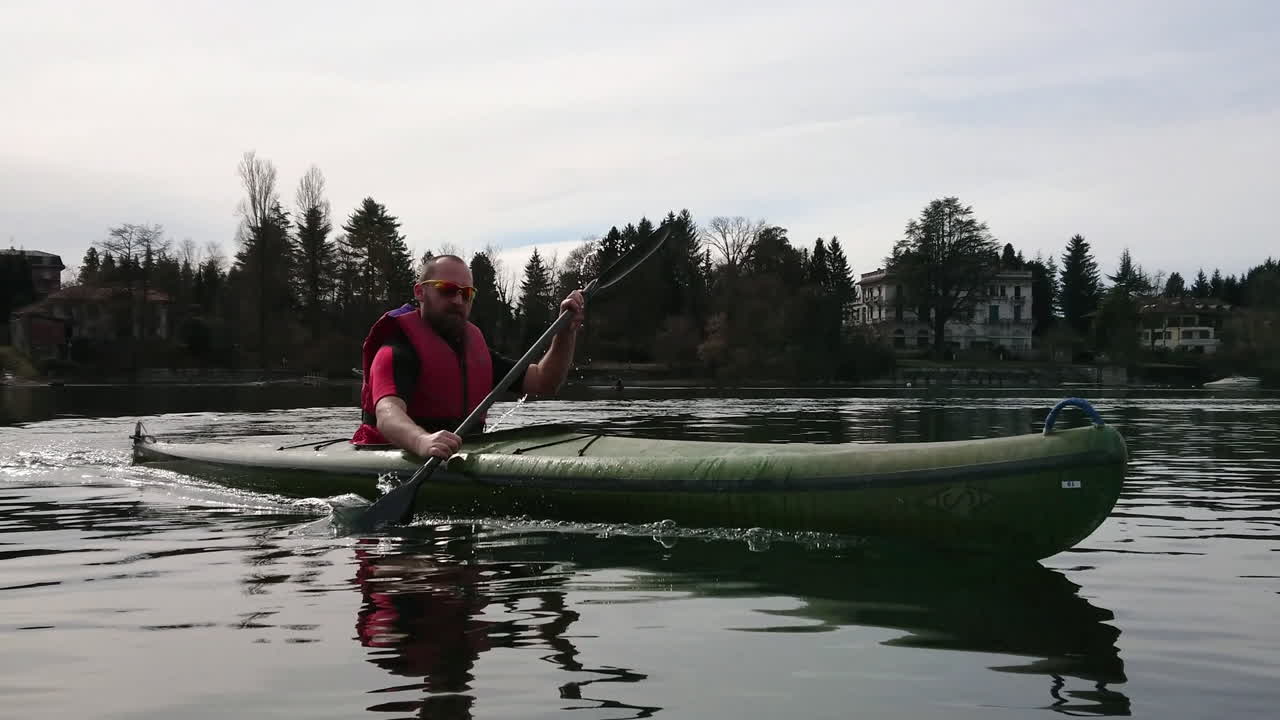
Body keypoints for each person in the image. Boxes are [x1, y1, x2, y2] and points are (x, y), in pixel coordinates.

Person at [351, 254, 585, 461]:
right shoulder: (396, 350)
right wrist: (423, 441)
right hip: (394, 456)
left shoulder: (474, 351)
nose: (457, 300)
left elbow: (544, 381)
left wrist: (565, 332)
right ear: (420, 292)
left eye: (466, 293)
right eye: (446, 289)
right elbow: (387, 414)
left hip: (458, 454)